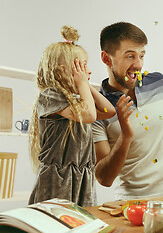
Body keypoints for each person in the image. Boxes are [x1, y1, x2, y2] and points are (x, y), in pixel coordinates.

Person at [92, 22, 163, 200]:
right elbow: (104, 178)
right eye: (130, 56)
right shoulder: (99, 109)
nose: (138, 64)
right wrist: (125, 135)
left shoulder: (159, 82)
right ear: (107, 59)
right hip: (134, 201)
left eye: (141, 55)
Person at [28, 26, 116, 207]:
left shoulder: (79, 100)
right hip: (58, 180)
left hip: (82, 176)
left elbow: (109, 111)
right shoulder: (49, 96)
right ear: (62, 71)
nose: (88, 71)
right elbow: (90, 115)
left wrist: (86, 85)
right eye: (82, 67)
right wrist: (83, 83)